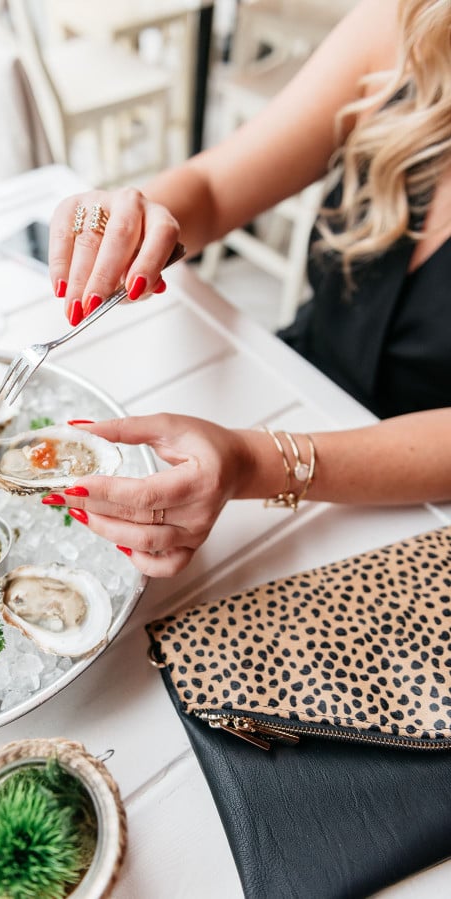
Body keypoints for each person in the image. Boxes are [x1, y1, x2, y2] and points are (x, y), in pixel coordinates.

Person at [40, 0, 451, 577]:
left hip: (415, 503)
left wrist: (256, 462)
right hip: (285, 378)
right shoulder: (409, 22)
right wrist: (145, 216)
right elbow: (211, 188)